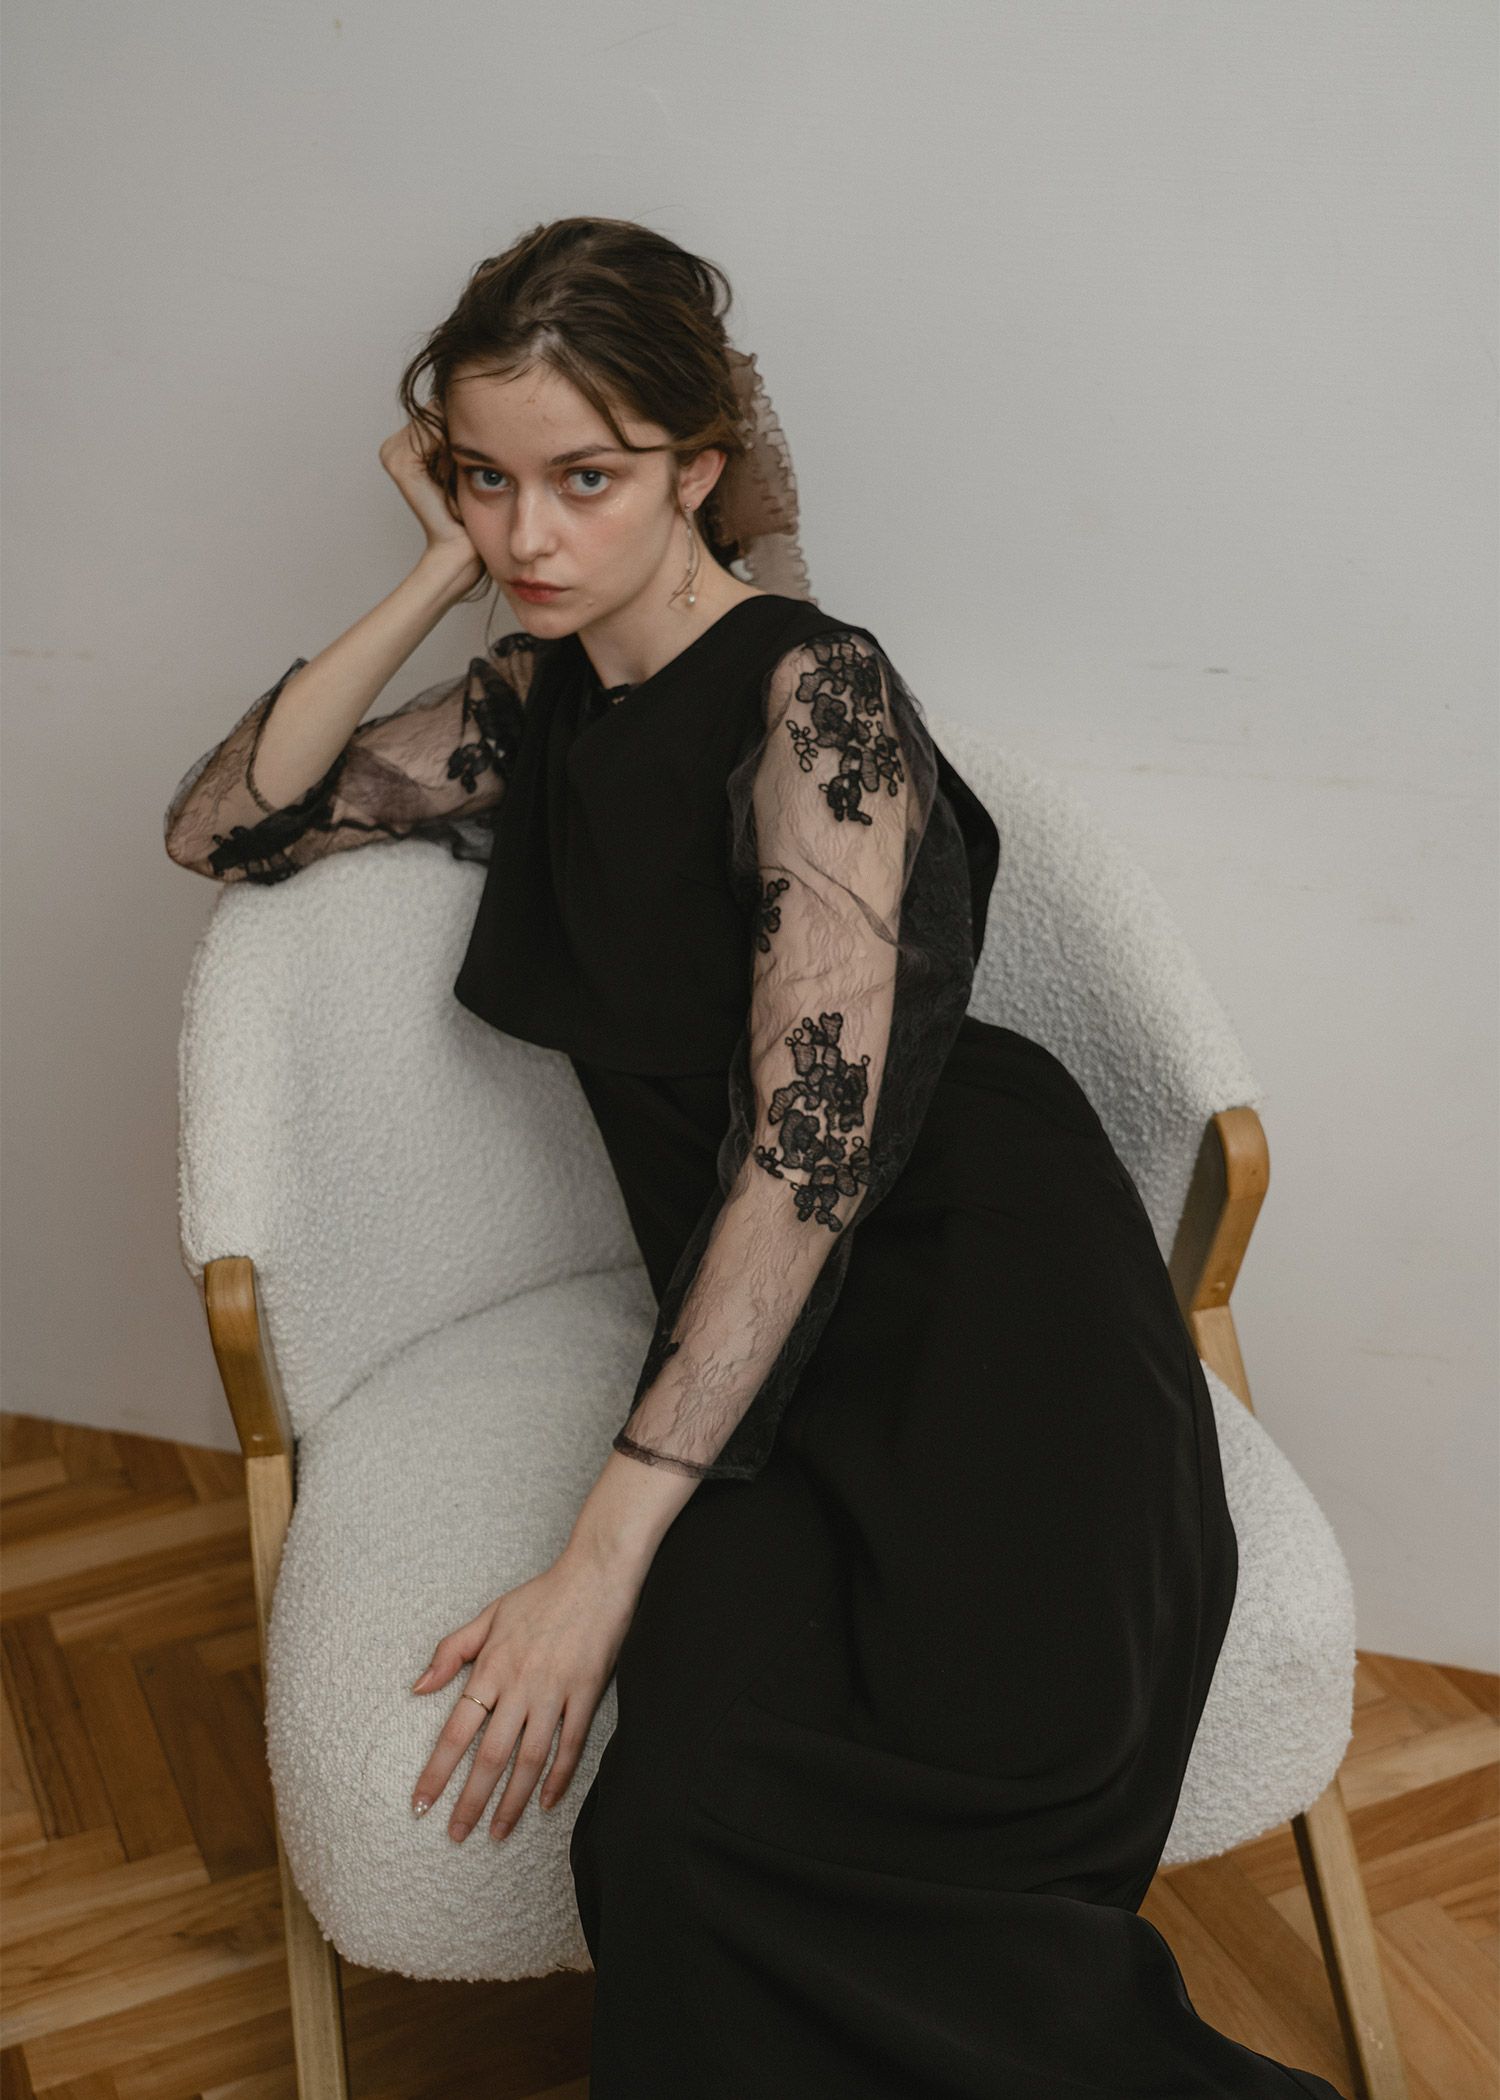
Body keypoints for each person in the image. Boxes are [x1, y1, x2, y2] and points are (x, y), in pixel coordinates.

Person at [164, 216, 1347, 2099]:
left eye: (588, 478)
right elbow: (227, 824)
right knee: (676, 1829)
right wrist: (431, 570)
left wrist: (597, 1560)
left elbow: (808, 1159)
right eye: (487, 479)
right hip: (754, 1338)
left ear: (695, 472)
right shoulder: (532, 708)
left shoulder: (823, 700)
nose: (533, 534)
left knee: (957, 1780)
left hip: (979, 1297)